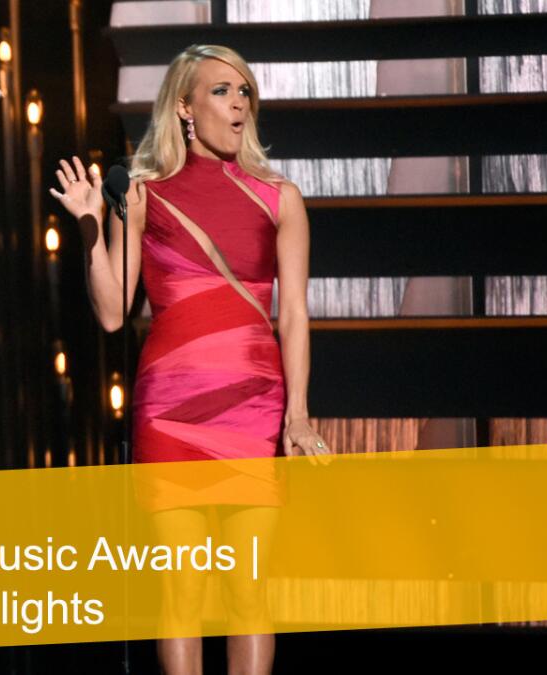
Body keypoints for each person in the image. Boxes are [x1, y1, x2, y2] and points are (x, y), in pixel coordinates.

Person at [50, 44, 334, 674]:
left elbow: (293, 316)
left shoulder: (279, 197)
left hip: (255, 406)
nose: (239, 105)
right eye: (221, 92)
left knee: (247, 591)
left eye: (244, 93)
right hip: (170, 410)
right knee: (181, 591)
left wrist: (299, 414)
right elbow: (111, 312)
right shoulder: (144, 193)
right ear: (184, 106)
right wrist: (92, 225)